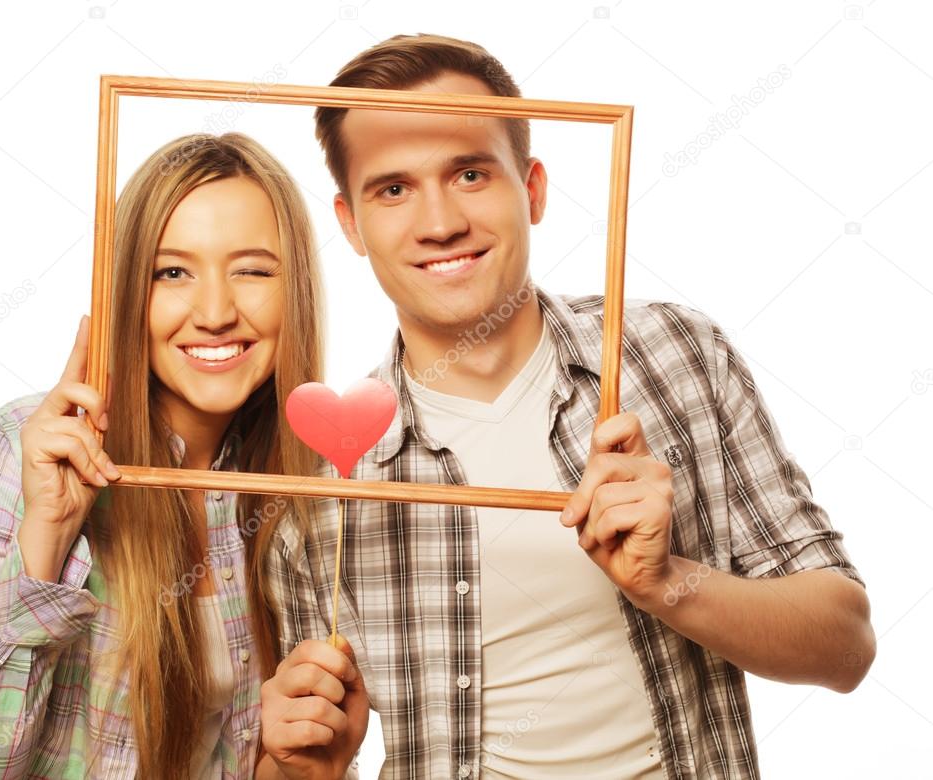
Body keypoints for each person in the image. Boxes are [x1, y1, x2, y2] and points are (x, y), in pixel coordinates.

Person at [262, 34, 876, 779]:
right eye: (393, 188)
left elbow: (846, 649)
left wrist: (668, 585)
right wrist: (299, 764)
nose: (439, 222)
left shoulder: (678, 354)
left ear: (533, 188)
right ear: (351, 223)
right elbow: (314, 756)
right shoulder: (324, 487)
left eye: (468, 173)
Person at [0, 132, 362, 779]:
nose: (214, 311)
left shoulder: (310, 490)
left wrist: (298, 766)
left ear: (296, 290)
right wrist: (48, 537)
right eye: (172, 271)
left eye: (252, 270)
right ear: (127, 290)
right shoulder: (20, 450)